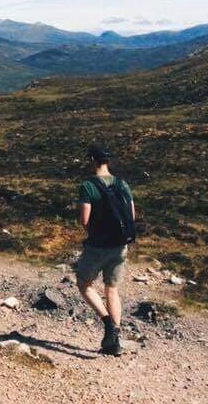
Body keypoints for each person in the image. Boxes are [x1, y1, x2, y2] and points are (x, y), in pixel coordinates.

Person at [75, 145, 136, 356]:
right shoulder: (122, 184)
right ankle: (114, 341)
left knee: (84, 283)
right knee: (112, 289)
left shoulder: (88, 185)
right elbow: (132, 215)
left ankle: (108, 323)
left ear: (92, 160)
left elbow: (85, 220)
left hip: (98, 246)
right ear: (107, 161)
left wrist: (95, 233)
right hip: (120, 245)